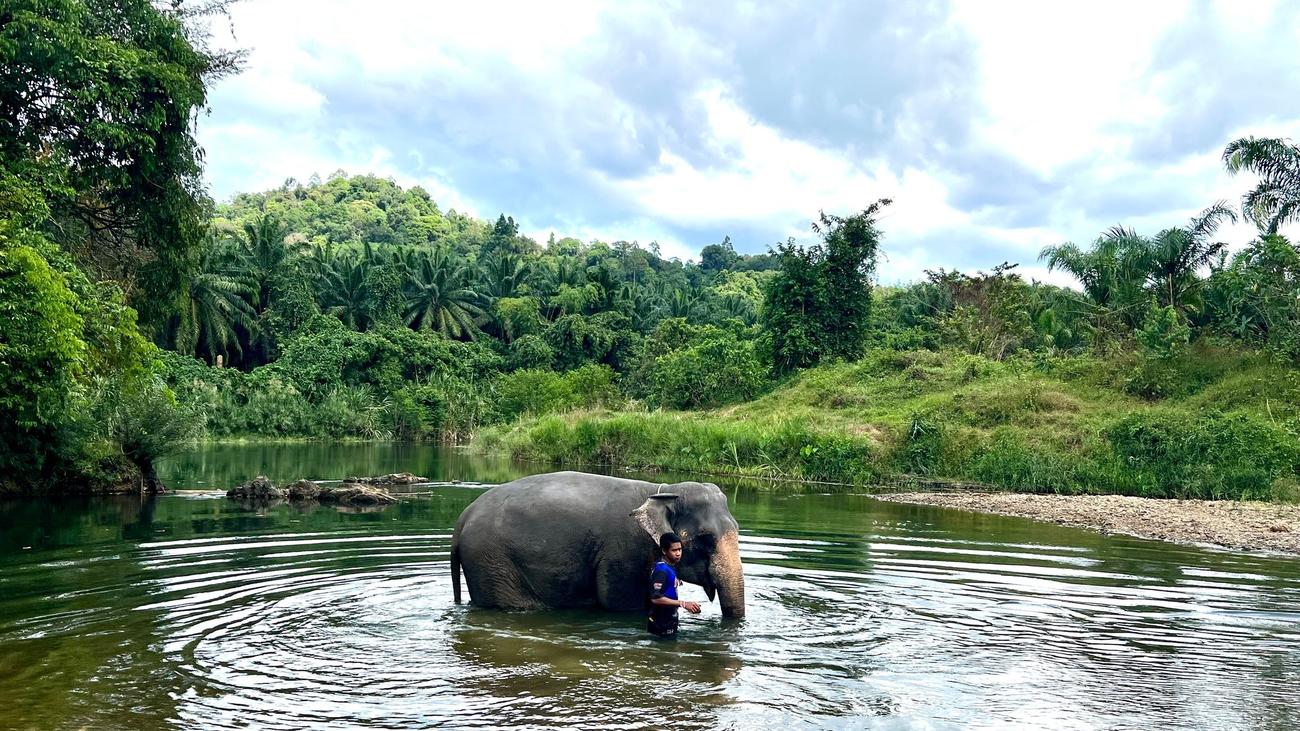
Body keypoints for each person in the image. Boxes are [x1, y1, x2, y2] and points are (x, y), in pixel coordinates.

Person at [647, 532, 701, 638]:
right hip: (660, 625)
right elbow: (655, 598)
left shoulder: (671, 568)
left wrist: (689, 606)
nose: (678, 553)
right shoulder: (661, 571)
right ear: (664, 551)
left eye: (680, 549)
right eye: (674, 550)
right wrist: (684, 604)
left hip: (670, 621)